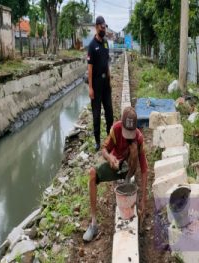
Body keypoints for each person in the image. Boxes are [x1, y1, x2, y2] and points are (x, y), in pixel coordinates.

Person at [83, 106, 148, 242]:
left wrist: (143, 200)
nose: (129, 137)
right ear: (122, 125)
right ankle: (94, 224)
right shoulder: (116, 129)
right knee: (92, 173)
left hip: (129, 168)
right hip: (115, 165)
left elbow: (144, 169)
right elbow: (104, 150)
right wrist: (110, 158)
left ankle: (127, 182)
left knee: (134, 149)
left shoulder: (139, 138)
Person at [87, 16, 113, 151]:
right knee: (96, 115)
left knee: (109, 111)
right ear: (97, 27)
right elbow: (89, 68)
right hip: (96, 85)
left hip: (106, 84)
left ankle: (109, 136)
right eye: (102, 27)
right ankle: (97, 141)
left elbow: (107, 62)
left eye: (105, 27)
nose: (104, 29)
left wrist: (109, 77)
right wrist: (90, 87)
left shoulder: (106, 43)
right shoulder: (92, 46)